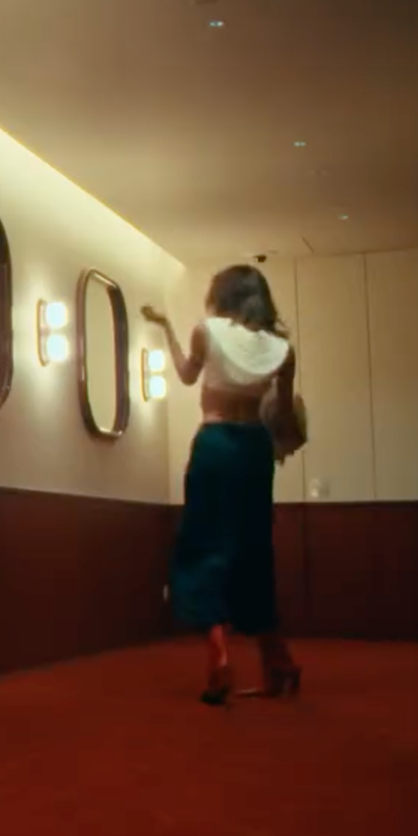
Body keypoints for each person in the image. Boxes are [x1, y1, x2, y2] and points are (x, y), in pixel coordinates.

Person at [142, 265, 306, 706]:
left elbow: (186, 374)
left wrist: (166, 327)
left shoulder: (206, 331)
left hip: (215, 445)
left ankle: (218, 654)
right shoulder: (282, 349)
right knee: (255, 551)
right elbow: (283, 417)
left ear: (223, 295)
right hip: (255, 449)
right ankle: (278, 662)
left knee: (202, 546)